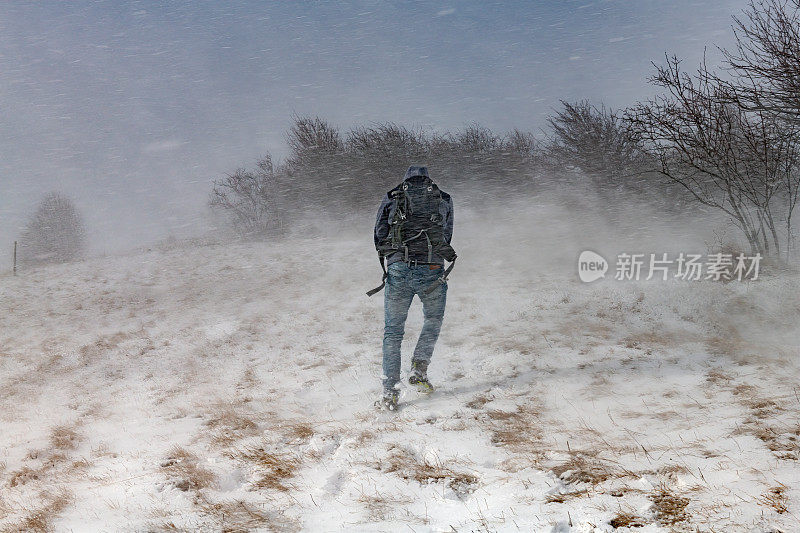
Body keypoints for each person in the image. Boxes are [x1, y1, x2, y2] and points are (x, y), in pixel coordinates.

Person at [371, 166, 455, 410]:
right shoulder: (442, 198)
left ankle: (390, 393)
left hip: (399, 269)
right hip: (431, 269)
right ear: (428, 179)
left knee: (393, 332)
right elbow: (446, 235)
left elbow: (379, 234)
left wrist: (395, 257)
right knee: (433, 319)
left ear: (405, 180)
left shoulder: (392, 196)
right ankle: (419, 368)